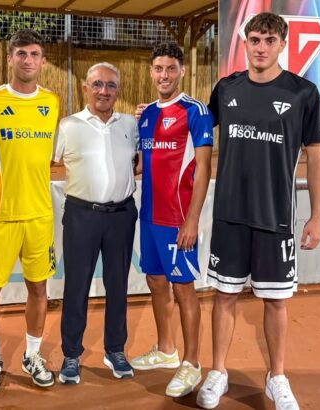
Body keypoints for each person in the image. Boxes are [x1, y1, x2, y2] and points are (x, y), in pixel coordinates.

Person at [196, 12, 320, 410]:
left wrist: (316, 216)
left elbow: (316, 157)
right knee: (224, 295)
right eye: (254, 40)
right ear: (245, 43)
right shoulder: (226, 88)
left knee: (276, 301)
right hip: (229, 216)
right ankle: (218, 371)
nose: (261, 47)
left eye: (269, 41)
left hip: (275, 218)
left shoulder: (303, 93)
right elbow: (196, 128)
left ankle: (277, 377)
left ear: (282, 45)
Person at [0, 29, 59, 392]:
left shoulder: (51, 102)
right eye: (21, 53)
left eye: (34, 54)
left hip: (39, 214)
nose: (28, 60)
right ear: (9, 59)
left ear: (43, 61)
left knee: (39, 289)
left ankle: (32, 355)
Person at [130, 43, 213, 398]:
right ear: (151, 72)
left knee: (183, 288)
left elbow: (204, 168)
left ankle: (192, 363)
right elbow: (141, 163)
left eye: (170, 69)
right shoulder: (146, 114)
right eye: (158, 69)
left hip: (178, 218)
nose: (164, 75)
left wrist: (192, 220)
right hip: (149, 216)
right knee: (155, 280)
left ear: (181, 71)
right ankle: (166, 350)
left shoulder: (195, 111)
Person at [53, 62, 139, 384]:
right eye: (97, 84)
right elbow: (39, 161)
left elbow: (138, 162)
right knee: (77, 286)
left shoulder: (130, 124)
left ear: (118, 90)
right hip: (81, 215)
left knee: (118, 286)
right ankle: (71, 354)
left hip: (121, 216)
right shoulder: (67, 126)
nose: (104, 91)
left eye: (111, 85)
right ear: (86, 88)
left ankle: (115, 349)